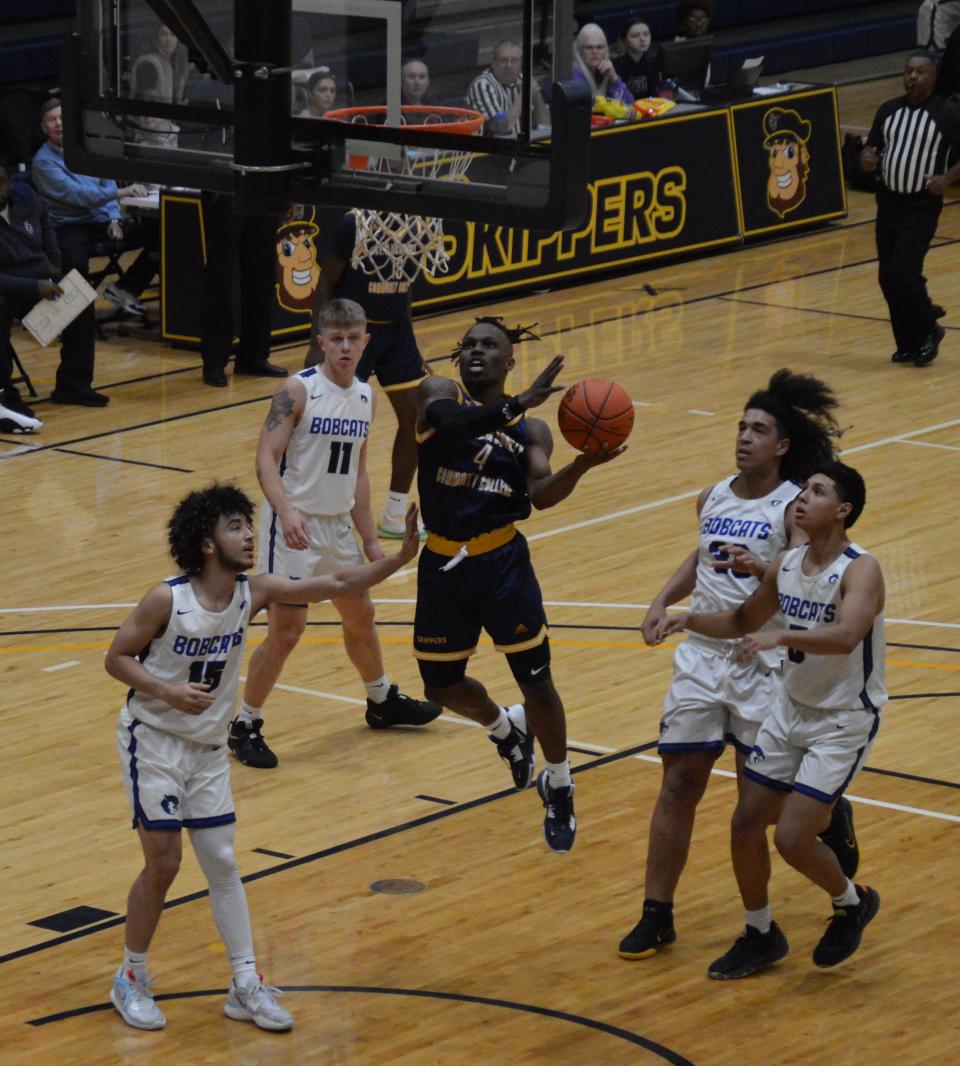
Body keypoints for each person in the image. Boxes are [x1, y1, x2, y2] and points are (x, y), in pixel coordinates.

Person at [106, 482, 422, 1031]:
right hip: (153, 739)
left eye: (248, 525)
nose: (250, 534)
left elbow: (338, 581)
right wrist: (167, 691)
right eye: (236, 527)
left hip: (206, 748)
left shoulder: (257, 590)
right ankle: (130, 977)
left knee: (223, 863)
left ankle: (245, 984)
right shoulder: (167, 598)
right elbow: (116, 659)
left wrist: (397, 558)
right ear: (207, 544)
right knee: (165, 863)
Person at [617, 369, 856, 961]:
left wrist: (762, 572)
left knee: (761, 808)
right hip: (702, 658)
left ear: (782, 446)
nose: (745, 437)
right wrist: (662, 600)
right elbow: (701, 551)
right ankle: (657, 912)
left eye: (759, 430)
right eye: (741, 426)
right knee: (678, 783)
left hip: (762, 662)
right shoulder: (713, 495)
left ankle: (829, 814)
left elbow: (800, 586)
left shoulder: (793, 510)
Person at [657, 461, 884, 978]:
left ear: (842, 511)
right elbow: (741, 621)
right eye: (803, 490)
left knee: (791, 838)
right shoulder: (787, 564)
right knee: (744, 822)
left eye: (819, 492)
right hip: (790, 711)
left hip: (843, 719)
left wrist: (780, 637)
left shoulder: (860, 568)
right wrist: (686, 617)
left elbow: (848, 635)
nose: (803, 498)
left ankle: (853, 900)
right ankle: (760, 932)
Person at [412, 318, 624, 852]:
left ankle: (559, 780)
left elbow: (541, 495)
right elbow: (452, 424)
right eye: (471, 345)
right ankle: (505, 729)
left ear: (509, 362)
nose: (477, 351)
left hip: (502, 561)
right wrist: (518, 402)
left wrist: (582, 466)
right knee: (439, 686)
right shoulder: (439, 392)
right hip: (442, 563)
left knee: (537, 680)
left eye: (491, 346)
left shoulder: (532, 431)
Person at [232, 298, 441, 769]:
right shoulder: (297, 390)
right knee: (288, 630)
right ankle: (246, 723)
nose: (345, 347)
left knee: (360, 613)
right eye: (337, 339)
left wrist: (369, 539)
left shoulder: (365, 396)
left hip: (337, 523)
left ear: (366, 342)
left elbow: (360, 475)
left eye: (354, 339)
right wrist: (285, 512)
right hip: (293, 523)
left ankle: (380, 700)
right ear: (321, 342)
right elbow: (265, 458)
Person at [305, 208, 430, 539]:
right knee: (339, 426)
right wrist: (318, 341)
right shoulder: (352, 223)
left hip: (396, 332)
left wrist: (414, 343)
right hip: (352, 332)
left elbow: (405, 290)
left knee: (418, 418)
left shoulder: (416, 225)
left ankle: (393, 514)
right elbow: (326, 283)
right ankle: (326, 511)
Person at [31, 98, 157, 405]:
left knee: (162, 233)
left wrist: (115, 218)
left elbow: (105, 180)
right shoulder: (43, 162)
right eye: (51, 120)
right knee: (76, 284)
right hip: (66, 227)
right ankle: (72, 380)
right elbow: (79, 195)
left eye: (62, 117)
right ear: (43, 128)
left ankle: (126, 288)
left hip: (101, 221)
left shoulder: (88, 147)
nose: (58, 124)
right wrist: (121, 193)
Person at [861, 51, 960, 367]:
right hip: (889, 201)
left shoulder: (946, 113)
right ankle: (908, 342)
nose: (912, 77)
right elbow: (871, 148)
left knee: (905, 269)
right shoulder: (888, 110)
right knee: (887, 278)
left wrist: (946, 178)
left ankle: (929, 324)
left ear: (933, 77)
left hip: (921, 204)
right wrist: (866, 160)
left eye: (919, 72)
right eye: (908, 71)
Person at [199, 191, 288, 387]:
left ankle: (253, 355)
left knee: (262, 272)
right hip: (225, 185)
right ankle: (215, 359)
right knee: (221, 274)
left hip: (264, 186)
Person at [0, 165, 57, 433]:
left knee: (82, 303)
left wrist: (56, 266)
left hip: (40, 279)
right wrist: (34, 287)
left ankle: (75, 383)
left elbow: (47, 223)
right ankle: (6, 394)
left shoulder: (26, 197)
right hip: (10, 286)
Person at [466, 40, 549, 137]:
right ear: (493, 63)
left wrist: (536, 95)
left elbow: (546, 126)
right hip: (488, 149)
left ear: (520, 64)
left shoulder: (524, 80)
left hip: (519, 147)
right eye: (503, 60)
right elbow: (500, 128)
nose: (509, 66)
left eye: (514, 61)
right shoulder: (483, 85)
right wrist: (524, 94)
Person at [131, 22, 190, 147]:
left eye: (173, 34)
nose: (169, 39)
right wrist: (167, 128)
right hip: (150, 138)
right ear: (155, 38)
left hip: (165, 134)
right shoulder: (149, 64)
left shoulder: (173, 64)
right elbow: (146, 114)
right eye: (164, 34)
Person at [573, 23, 634, 106]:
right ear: (580, 51)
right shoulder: (574, 75)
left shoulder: (607, 71)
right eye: (589, 48)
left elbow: (629, 105)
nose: (595, 52)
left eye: (599, 47)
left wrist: (614, 79)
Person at [612, 19, 661, 100]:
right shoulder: (616, 66)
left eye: (646, 34)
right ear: (624, 41)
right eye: (635, 36)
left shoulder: (653, 64)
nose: (642, 39)